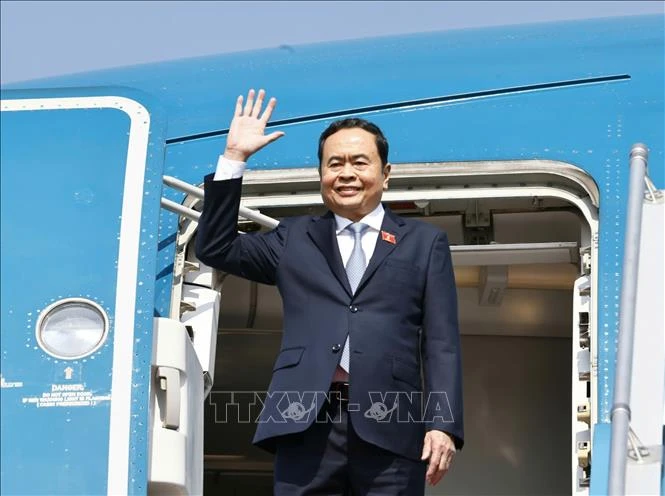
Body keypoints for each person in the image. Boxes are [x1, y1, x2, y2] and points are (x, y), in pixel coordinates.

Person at [196, 89, 463, 495]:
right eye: (334, 163)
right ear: (321, 175)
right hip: (304, 422)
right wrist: (234, 158)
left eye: (360, 162)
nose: (346, 173)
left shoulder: (424, 243)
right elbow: (216, 248)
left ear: (385, 174)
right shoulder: (294, 237)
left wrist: (443, 424)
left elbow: (442, 342)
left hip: (393, 425)